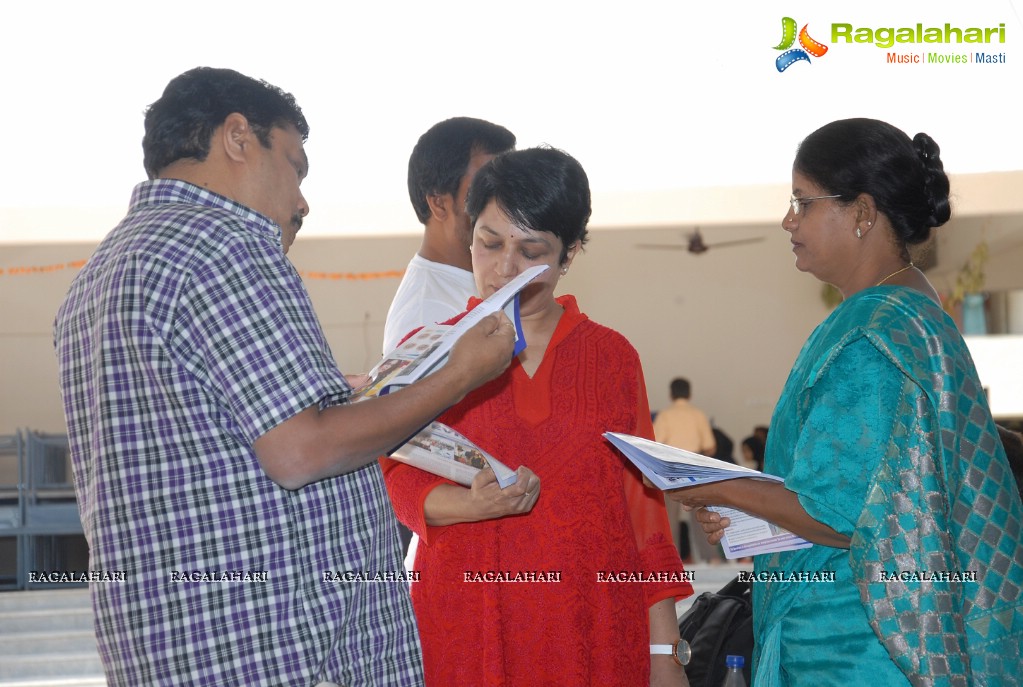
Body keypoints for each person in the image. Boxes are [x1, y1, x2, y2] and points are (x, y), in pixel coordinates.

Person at [52, 67, 517, 687]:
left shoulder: (97, 277)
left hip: (178, 645)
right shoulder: (226, 245)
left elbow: (211, 442)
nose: (302, 200)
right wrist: (458, 374)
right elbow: (301, 449)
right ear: (239, 137)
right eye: (296, 165)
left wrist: (351, 398)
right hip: (280, 645)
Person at [667, 118, 1023, 685]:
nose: (788, 220)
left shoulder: (871, 331)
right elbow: (885, 493)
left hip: (852, 643)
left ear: (861, 213)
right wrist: (751, 511)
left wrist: (712, 485)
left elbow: (838, 513)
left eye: (803, 203)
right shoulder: (914, 310)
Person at [382, 147, 692, 686]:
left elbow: (644, 512)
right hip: (469, 618)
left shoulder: (612, 358)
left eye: (531, 251)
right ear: (468, 236)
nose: (504, 268)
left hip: (592, 618)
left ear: (569, 254)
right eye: (489, 242)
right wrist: (466, 504)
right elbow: (394, 476)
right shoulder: (426, 350)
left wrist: (664, 651)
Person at [382, 116, 516, 353]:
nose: (504, 205)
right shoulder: (426, 316)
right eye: (485, 190)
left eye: (510, 188)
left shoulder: (489, 276)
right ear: (439, 204)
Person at [653, 377, 719, 563]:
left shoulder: (665, 415)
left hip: (671, 467)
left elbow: (655, 444)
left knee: (670, 517)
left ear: (671, 394)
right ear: (689, 393)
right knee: (700, 516)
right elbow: (710, 447)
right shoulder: (698, 415)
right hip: (694, 466)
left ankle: (672, 560)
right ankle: (711, 558)